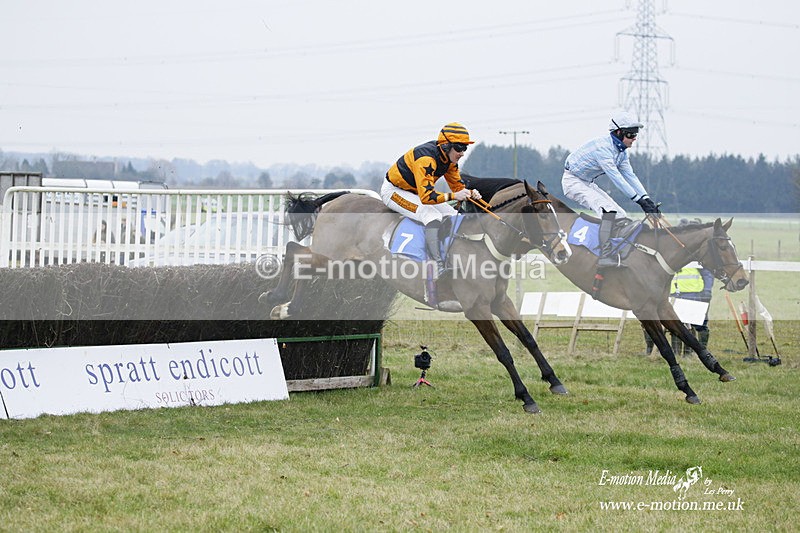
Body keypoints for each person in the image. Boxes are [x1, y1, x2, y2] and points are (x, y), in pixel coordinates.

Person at [561, 110, 660, 268]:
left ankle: (616, 250)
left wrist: (647, 199)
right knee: (608, 211)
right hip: (572, 182)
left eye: (636, 134)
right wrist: (639, 201)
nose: (634, 139)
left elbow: (630, 176)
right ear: (618, 133)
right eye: (631, 134)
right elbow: (617, 178)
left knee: (621, 214)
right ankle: (604, 255)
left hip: (586, 182)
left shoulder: (621, 152)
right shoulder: (603, 149)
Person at [381, 122, 481, 276]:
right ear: (446, 146)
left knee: (453, 215)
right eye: (459, 148)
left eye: (465, 148)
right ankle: (437, 264)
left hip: (416, 192)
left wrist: (471, 193)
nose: (462, 153)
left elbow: (458, 187)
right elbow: (427, 197)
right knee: (432, 216)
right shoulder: (425, 159)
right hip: (395, 191)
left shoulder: (450, 160)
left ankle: (450, 257)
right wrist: (454, 196)